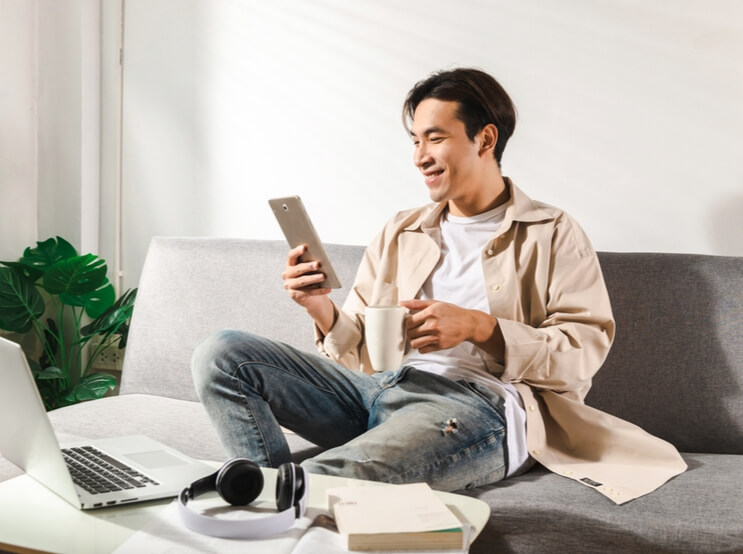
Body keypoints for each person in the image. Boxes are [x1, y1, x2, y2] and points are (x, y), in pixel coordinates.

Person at [192, 68, 686, 503]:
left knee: (328, 478)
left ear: (484, 139)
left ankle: (263, 503)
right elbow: (362, 350)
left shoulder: (552, 231)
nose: (419, 156)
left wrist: (480, 327)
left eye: (434, 138)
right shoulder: (402, 230)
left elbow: (584, 350)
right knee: (223, 353)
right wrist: (320, 306)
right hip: (380, 390)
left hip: (480, 405)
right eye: (413, 140)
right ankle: (268, 498)